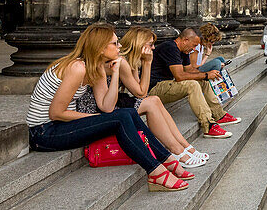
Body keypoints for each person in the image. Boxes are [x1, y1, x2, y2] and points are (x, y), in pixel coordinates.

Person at [26, 22, 191, 192]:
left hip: (58, 126)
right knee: (121, 117)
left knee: (127, 112)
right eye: (114, 43)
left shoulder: (95, 66)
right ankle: (156, 171)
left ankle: (165, 159)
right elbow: (56, 113)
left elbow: (106, 107)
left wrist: (117, 72)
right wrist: (97, 119)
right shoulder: (77, 68)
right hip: (43, 132)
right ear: (99, 48)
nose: (119, 46)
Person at [112, 26, 209, 167]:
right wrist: (147, 63)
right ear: (138, 43)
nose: (153, 48)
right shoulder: (123, 62)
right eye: (150, 44)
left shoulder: (131, 62)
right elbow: (141, 93)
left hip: (118, 100)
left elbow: (139, 90)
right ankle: (176, 150)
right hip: (110, 105)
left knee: (155, 101)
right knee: (152, 102)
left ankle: (184, 146)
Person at [148, 27, 239, 139]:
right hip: (155, 87)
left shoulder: (184, 50)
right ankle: (208, 125)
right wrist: (206, 74)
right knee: (193, 84)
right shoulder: (170, 47)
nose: (194, 48)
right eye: (194, 45)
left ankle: (219, 115)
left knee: (201, 81)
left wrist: (207, 75)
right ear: (185, 40)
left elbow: (190, 70)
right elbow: (180, 76)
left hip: (169, 84)